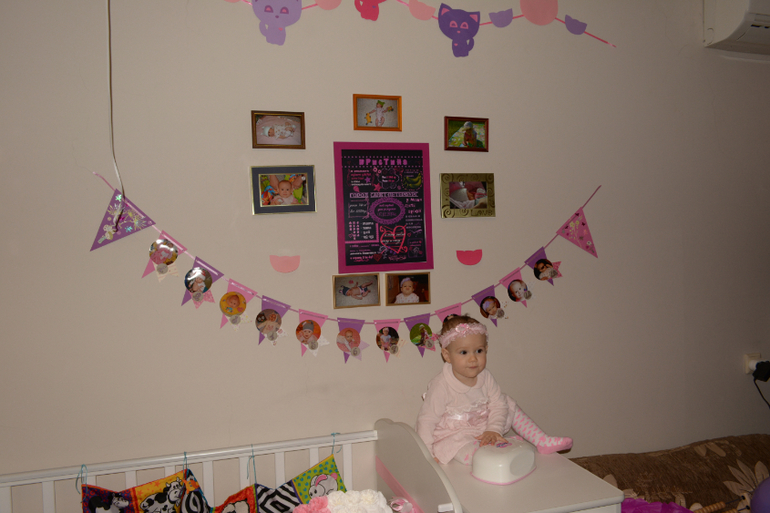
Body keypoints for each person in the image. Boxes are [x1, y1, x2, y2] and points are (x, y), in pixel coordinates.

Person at [415, 314, 572, 465]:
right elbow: (426, 421)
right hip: (454, 435)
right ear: (447, 355)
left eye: (479, 351)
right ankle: (492, 451)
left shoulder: (485, 376)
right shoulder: (441, 385)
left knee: (506, 401)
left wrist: (494, 429)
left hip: (483, 426)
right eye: (464, 352)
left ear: (486, 349)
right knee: (470, 453)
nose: (473, 358)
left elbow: (498, 405)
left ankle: (541, 440)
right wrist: (427, 455)